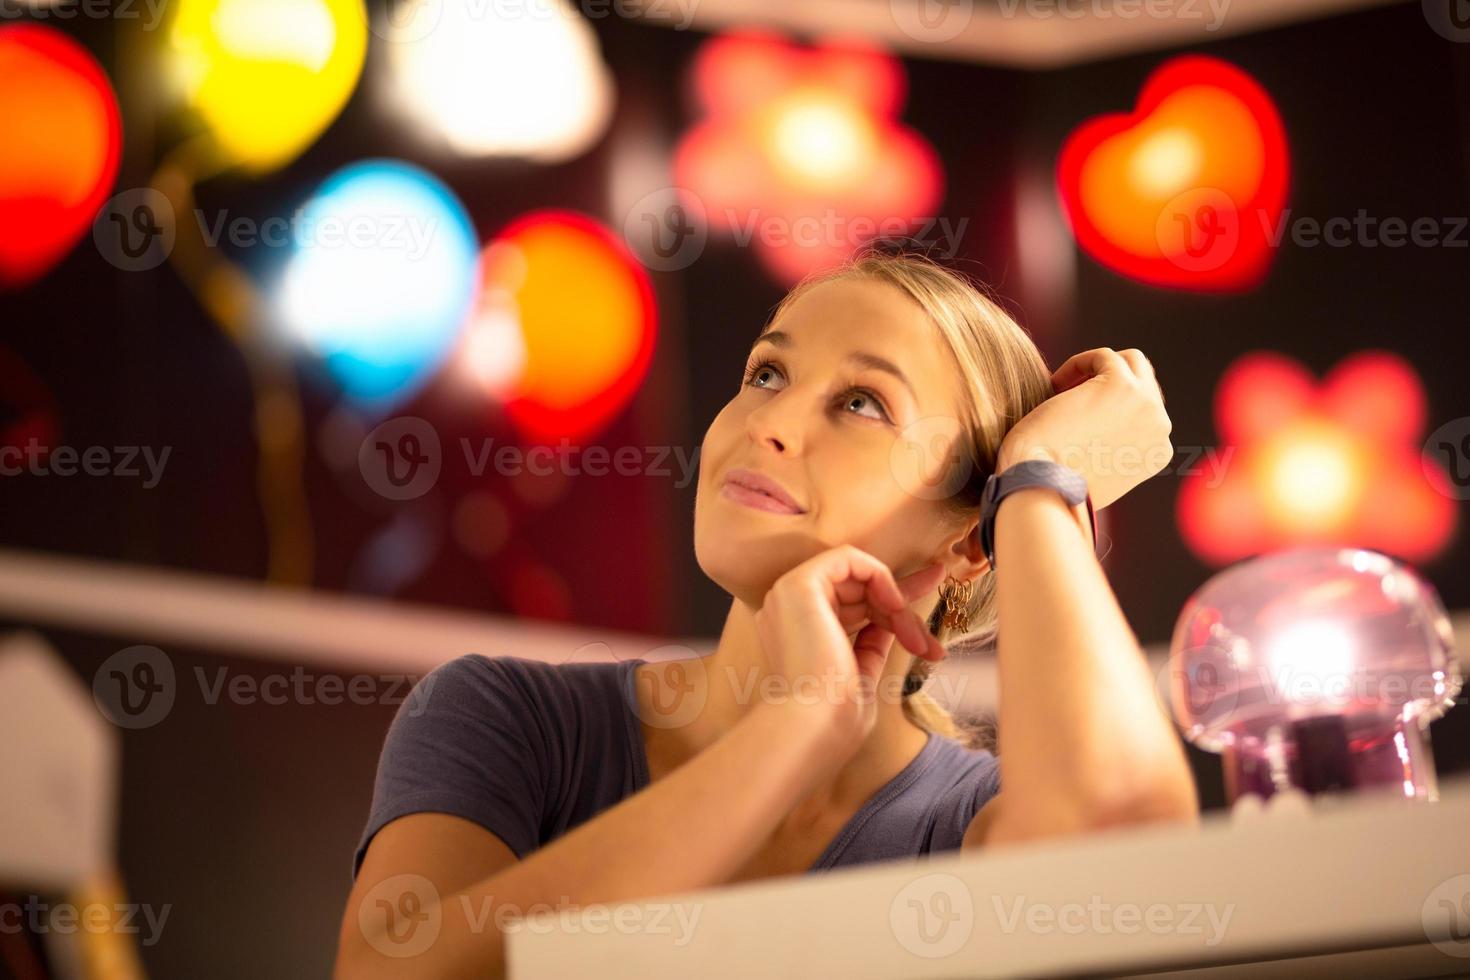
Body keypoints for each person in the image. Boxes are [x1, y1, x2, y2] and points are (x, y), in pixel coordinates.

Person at [334, 244, 1199, 978]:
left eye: (863, 402)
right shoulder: (506, 719)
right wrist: (790, 726)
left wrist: (1043, 482)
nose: (769, 421)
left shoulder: (969, 824)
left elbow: (1124, 847)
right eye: (767, 372)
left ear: (969, 538)